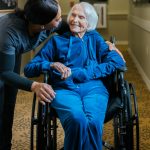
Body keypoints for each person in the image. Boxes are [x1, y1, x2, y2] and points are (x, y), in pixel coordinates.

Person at [24, 2, 125, 150]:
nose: (75, 20)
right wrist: (50, 65)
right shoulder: (56, 41)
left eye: (81, 17)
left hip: (94, 88)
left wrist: (85, 73)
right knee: (77, 120)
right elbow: (28, 69)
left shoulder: (95, 38)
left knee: (93, 122)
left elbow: (117, 60)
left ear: (89, 22)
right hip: (64, 88)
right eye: (73, 15)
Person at [0, 0, 71, 149]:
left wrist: (106, 45)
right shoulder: (10, 32)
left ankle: (5, 144)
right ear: (42, 25)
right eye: (57, 19)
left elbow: (74, 30)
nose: (60, 22)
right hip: (3, 54)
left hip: (13, 52)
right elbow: (4, 72)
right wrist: (35, 85)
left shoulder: (47, 24)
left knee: (9, 103)